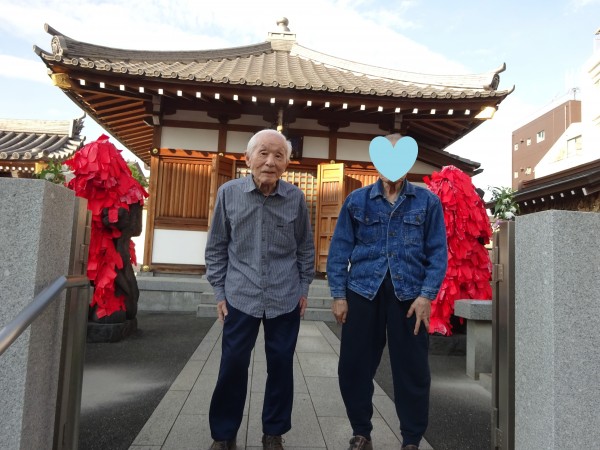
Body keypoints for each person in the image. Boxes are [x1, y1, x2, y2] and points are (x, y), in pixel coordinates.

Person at [326, 133, 448, 450]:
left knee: (412, 369)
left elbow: (438, 253)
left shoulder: (428, 202)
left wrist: (426, 295)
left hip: (410, 297)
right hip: (361, 292)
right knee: (354, 365)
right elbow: (339, 251)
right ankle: (361, 432)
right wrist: (338, 295)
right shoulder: (357, 201)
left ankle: (411, 439)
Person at [205, 129, 315, 450]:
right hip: (240, 295)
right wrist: (219, 292)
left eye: (279, 155)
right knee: (233, 365)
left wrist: (304, 288)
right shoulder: (228, 193)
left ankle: (273, 433)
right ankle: (224, 434)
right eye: (263, 153)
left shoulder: (295, 198)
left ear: (287, 164)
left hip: (285, 296)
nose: (270, 161)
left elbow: (305, 248)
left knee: (281, 366)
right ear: (248, 158)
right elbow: (216, 247)